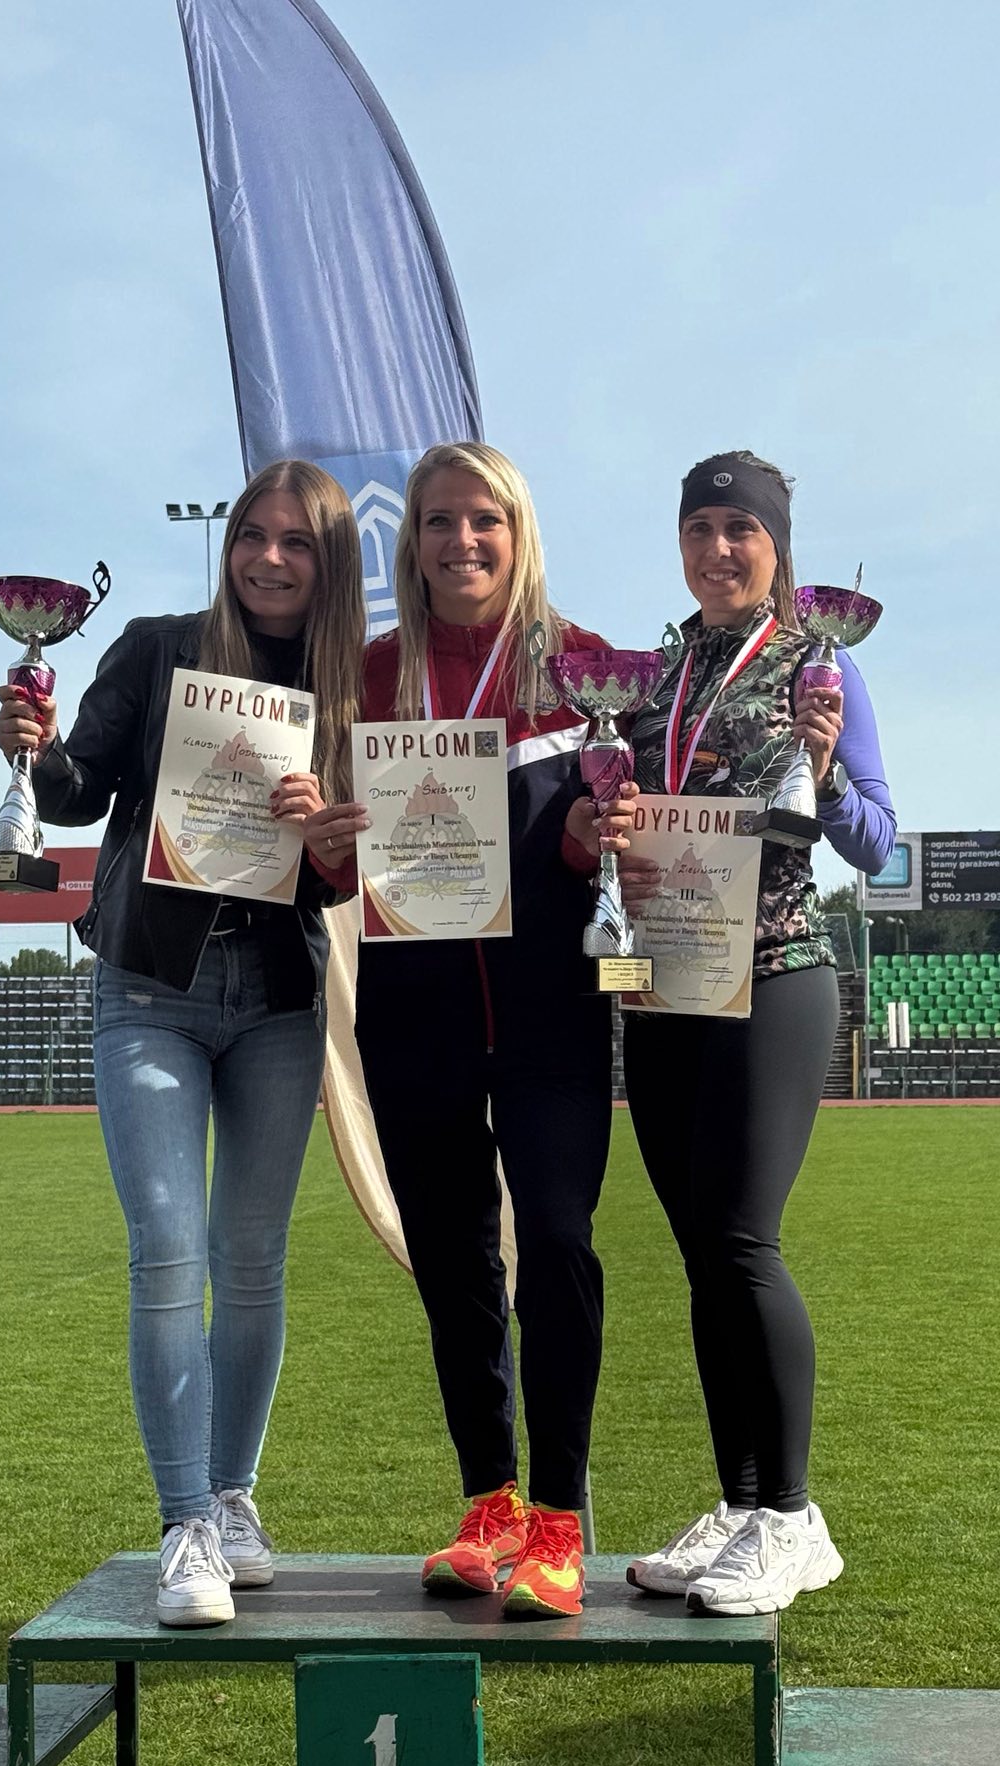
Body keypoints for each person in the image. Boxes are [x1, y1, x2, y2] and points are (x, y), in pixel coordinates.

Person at [0, 461, 364, 1627]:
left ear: (329, 561)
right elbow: (73, 791)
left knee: (250, 1257)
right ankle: (185, 1521)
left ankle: (236, 1495)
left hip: (279, 999)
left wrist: (325, 832)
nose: (267, 558)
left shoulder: (350, 689)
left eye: (295, 542)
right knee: (166, 1250)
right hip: (150, 986)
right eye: (252, 535)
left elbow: (350, 869)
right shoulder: (157, 649)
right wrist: (34, 746)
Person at [304, 442, 624, 1619]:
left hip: (550, 1008)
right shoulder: (371, 673)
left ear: (517, 530)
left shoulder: (584, 666)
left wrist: (593, 840)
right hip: (414, 1012)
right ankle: (488, 1501)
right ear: (414, 541)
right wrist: (325, 846)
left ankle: (560, 1518)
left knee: (560, 1242)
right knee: (452, 1259)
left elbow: (611, 840)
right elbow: (336, 863)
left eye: (484, 518)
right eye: (439, 521)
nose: (462, 541)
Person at [621, 450, 895, 1617]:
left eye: (740, 529)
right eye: (700, 528)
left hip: (775, 971)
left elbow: (875, 837)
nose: (718, 549)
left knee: (741, 1239)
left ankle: (791, 1516)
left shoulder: (816, 664)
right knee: (700, 1251)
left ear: (777, 545)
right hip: (661, 982)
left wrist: (823, 775)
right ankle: (739, 1505)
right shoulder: (653, 674)